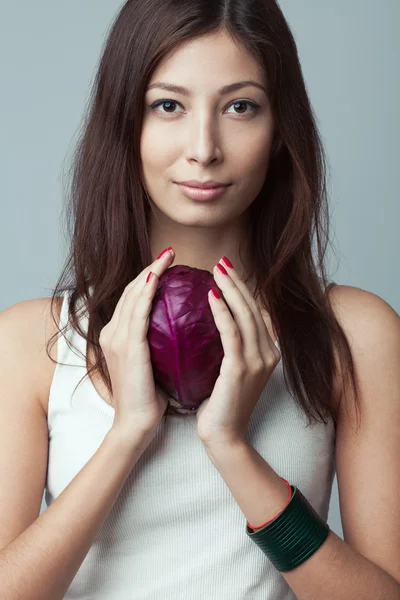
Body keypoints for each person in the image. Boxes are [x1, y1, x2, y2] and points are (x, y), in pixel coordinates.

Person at [1, 1, 399, 598]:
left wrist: (233, 447)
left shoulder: (354, 332)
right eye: (169, 106)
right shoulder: (32, 341)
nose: (204, 147)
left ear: (279, 126)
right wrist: (130, 430)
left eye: (240, 106)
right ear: (124, 122)